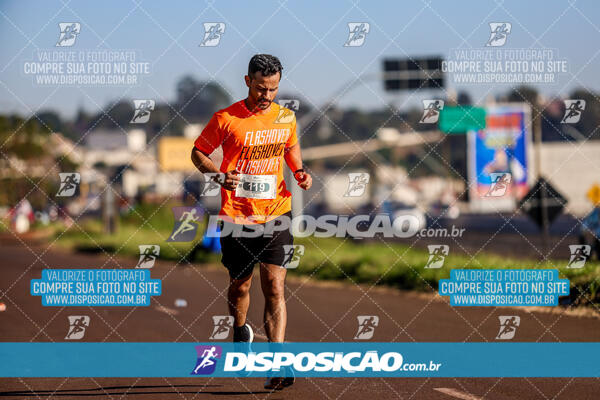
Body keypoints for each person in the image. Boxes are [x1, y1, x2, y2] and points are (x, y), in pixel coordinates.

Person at [191, 54, 312, 390]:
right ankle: (240, 329)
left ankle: (277, 363)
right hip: (237, 216)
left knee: (274, 287)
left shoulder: (286, 117)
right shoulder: (226, 118)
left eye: (273, 89)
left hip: (277, 212)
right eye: (261, 88)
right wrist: (218, 175)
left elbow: (291, 148)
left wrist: (299, 171)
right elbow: (198, 152)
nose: (267, 96)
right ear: (248, 82)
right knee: (240, 286)